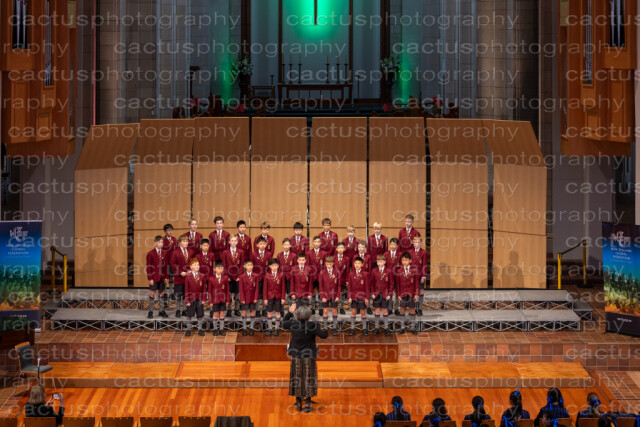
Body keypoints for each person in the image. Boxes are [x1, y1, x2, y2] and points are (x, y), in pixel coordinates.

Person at [283, 303, 328, 413]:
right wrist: (325, 323)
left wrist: (289, 312)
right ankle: (307, 403)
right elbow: (324, 335)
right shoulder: (312, 325)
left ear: (297, 314)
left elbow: (283, 323)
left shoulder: (292, 323)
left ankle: (298, 402)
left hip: (296, 356)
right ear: (308, 315)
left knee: (297, 377)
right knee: (309, 378)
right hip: (309, 356)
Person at [394, 253, 419, 335]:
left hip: (411, 293)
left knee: (412, 310)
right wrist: (398, 295)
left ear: (410, 261)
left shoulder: (414, 270)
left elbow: (416, 283)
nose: (404, 262)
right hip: (402, 293)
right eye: (403, 260)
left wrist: (416, 294)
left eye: (406, 260)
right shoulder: (399, 271)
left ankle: (413, 327)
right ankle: (402, 327)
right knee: (402, 309)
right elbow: (397, 284)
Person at [221, 234, 245, 317]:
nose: (234, 242)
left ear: (237, 242)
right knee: (229, 293)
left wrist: (239, 275)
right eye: (232, 241)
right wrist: (226, 276)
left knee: (237, 293)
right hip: (229, 277)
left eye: (235, 241)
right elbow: (224, 265)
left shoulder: (241, 252)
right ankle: (229, 309)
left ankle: (236, 309)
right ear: (229, 242)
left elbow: (242, 265)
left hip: (237, 276)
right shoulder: (225, 252)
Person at [146, 236, 168, 319]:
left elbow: (166, 266)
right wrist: (150, 278)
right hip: (154, 277)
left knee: (161, 293)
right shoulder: (150, 253)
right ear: (155, 243)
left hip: (162, 277)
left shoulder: (164, 253)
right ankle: (150, 311)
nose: (161, 244)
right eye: (159, 242)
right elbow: (149, 267)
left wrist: (166, 277)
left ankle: (161, 310)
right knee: (152, 293)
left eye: (162, 242)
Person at [170, 236, 193, 318]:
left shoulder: (190, 251)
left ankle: (184, 310)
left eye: (187, 241)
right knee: (178, 295)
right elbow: (173, 264)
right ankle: (178, 310)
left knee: (186, 294)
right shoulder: (175, 252)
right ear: (179, 243)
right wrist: (180, 272)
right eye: (184, 241)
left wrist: (191, 270)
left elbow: (192, 262)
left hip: (188, 277)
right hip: (179, 277)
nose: (186, 242)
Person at [371, 254, 393, 335]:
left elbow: (391, 284)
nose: (379, 263)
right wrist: (372, 293)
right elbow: (371, 283)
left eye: (381, 261)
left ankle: (386, 328)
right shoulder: (374, 271)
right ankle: (376, 328)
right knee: (377, 310)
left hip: (385, 294)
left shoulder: (389, 271)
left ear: (384, 262)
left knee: (385, 310)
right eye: (378, 262)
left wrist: (390, 294)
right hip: (376, 294)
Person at [347, 257, 370, 336]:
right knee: (353, 312)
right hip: (354, 296)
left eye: (359, 263)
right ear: (353, 264)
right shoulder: (351, 274)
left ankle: (364, 328)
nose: (357, 265)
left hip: (362, 297)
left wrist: (367, 298)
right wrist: (349, 297)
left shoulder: (365, 274)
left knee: (363, 312)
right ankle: (352, 328)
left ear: (362, 264)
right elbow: (349, 286)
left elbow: (367, 287)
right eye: (356, 263)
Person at [251, 237, 272, 317]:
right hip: (257, 277)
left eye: (264, 244)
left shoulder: (269, 254)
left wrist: (269, 276)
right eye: (260, 244)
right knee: (257, 294)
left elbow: (270, 266)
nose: (262, 245)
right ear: (257, 245)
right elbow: (252, 266)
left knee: (265, 294)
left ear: (266, 245)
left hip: (266, 277)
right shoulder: (254, 254)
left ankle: (264, 310)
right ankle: (257, 310)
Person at [263, 258, 286, 336]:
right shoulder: (267, 275)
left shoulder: (281, 274)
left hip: (278, 297)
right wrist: (265, 298)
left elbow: (283, 287)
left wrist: (283, 298)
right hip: (269, 297)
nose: (274, 267)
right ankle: (270, 329)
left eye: (276, 265)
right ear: (270, 266)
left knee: (277, 313)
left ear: (278, 266)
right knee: (269, 313)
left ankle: (276, 329)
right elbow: (265, 288)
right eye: (273, 265)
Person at [319, 256, 340, 334]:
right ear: (325, 264)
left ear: (333, 263)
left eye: (330, 264)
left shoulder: (337, 272)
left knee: (334, 310)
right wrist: (322, 296)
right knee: (325, 311)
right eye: (327, 264)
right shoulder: (322, 272)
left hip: (334, 295)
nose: (329, 265)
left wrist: (338, 296)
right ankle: (325, 328)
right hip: (325, 295)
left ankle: (334, 327)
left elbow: (339, 285)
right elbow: (320, 286)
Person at [184, 258, 206, 336]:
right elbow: (186, 289)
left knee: (200, 315)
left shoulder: (202, 276)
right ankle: (188, 329)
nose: (197, 266)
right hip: (191, 299)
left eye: (198, 265)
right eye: (195, 265)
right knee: (189, 315)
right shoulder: (188, 277)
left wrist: (204, 299)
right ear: (191, 267)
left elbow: (204, 289)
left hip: (199, 299)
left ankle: (200, 329)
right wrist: (187, 300)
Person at [239, 259, 259, 335]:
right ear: (244, 266)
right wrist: (242, 298)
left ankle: (252, 328)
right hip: (245, 298)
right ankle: (244, 328)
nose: (250, 267)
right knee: (244, 312)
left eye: (251, 265)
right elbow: (241, 289)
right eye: (248, 265)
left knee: (252, 312)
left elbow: (257, 288)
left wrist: (256, 297)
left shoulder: (255, 276)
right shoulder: (242, 276)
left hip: (252, 297)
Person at [306, 236, 326, 315]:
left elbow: (324, 266)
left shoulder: (324, 253)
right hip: (312, 276)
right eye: (315, 242)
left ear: (320, 243)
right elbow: (307, 266)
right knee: (313, 293)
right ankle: (313, 308)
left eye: (318, 242)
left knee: (321, 293)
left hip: (321, 276)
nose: (317, 243)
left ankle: (320, 308)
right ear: (313, 243)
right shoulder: (308, 253)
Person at [209, 261, 229, 336]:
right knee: (215, 314)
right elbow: (209, 291)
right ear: (214, 269)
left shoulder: (225, 278)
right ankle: (215, 329)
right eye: (218, 268)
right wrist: (210, 301)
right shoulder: (211, 279)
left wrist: (228, 299)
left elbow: (227, 290)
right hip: (215, 299)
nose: (220, 270)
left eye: (221, 269)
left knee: (222, 314)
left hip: (223, 299)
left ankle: (221, 329)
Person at [409, 235, 428, 316]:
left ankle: (419, 308)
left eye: (417, 242)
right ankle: (413, 308)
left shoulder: (423, 252)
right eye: (414, 242)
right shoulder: (410, 252)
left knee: (420, 291)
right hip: (412, 275)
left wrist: (424, 276)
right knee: (413, 292)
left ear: (420, 243)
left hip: (420, 275)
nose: (415, 244)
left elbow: (424, 265)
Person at [385, 237, 401, 315]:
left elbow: (401, 266)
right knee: (389, 292)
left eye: (394, 244)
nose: (392, 246)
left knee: (397, 293)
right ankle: (390, 308)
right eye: (391, 244)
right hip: (388, 277)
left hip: (397, 276)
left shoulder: (400, 254)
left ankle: (397, 308)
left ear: (397, 246)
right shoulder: (386, 254)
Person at [334, 242, 350, 315]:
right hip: (335, 279)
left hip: (343, 279)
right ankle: (335, 307)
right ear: (336, 249)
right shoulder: (333, 257)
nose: (340, 249)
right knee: (335, 293)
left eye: (342, 248)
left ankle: (341, 307)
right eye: (339, 248)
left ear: (344, 249)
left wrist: (347, 280)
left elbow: (347, 270)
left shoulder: (347, 258)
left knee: (342, 294)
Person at [162, 224, 177, 300]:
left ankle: (171, 292)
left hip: (172, 261)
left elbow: (176, 250)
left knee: (171, 277)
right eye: (168, 230)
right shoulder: (162, 240)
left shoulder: (175, 239)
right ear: (165, 231)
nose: (170, 232)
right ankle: (165, 293)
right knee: (165, 278)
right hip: (165, 261)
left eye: (171, 230)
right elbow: (162, 250)